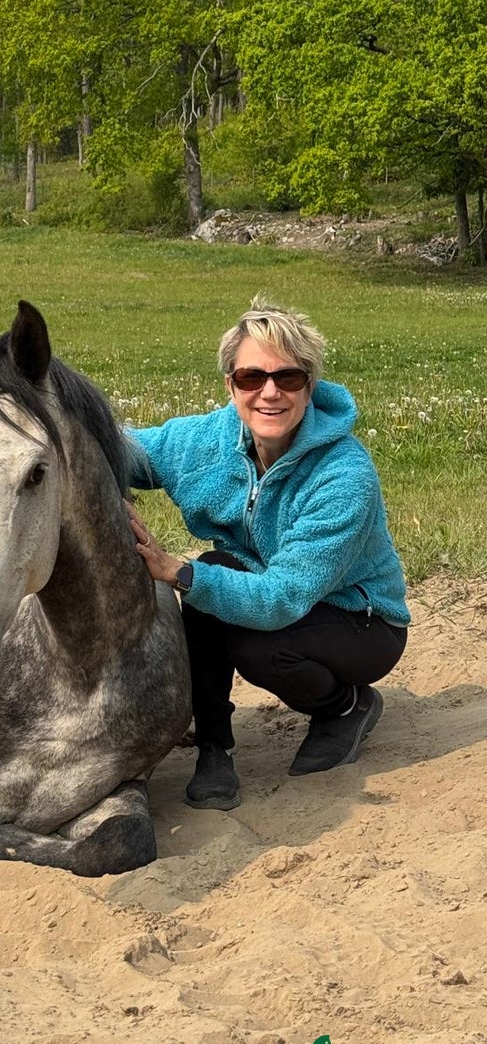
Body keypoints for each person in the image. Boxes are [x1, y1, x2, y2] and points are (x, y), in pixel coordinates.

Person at [125, 298, 409, 810]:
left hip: (360, 620)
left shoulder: (344, 476)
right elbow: (123, 449)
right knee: (213, 574)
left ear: (311, 385)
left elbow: (282, 598)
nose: (269, 393)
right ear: (230, 385)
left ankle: (346, 707)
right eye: (251, 378)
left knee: (252, 638)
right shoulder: (207, 440)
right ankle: (215, 749)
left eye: (289, 378)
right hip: (269, 590)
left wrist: (174, 571)